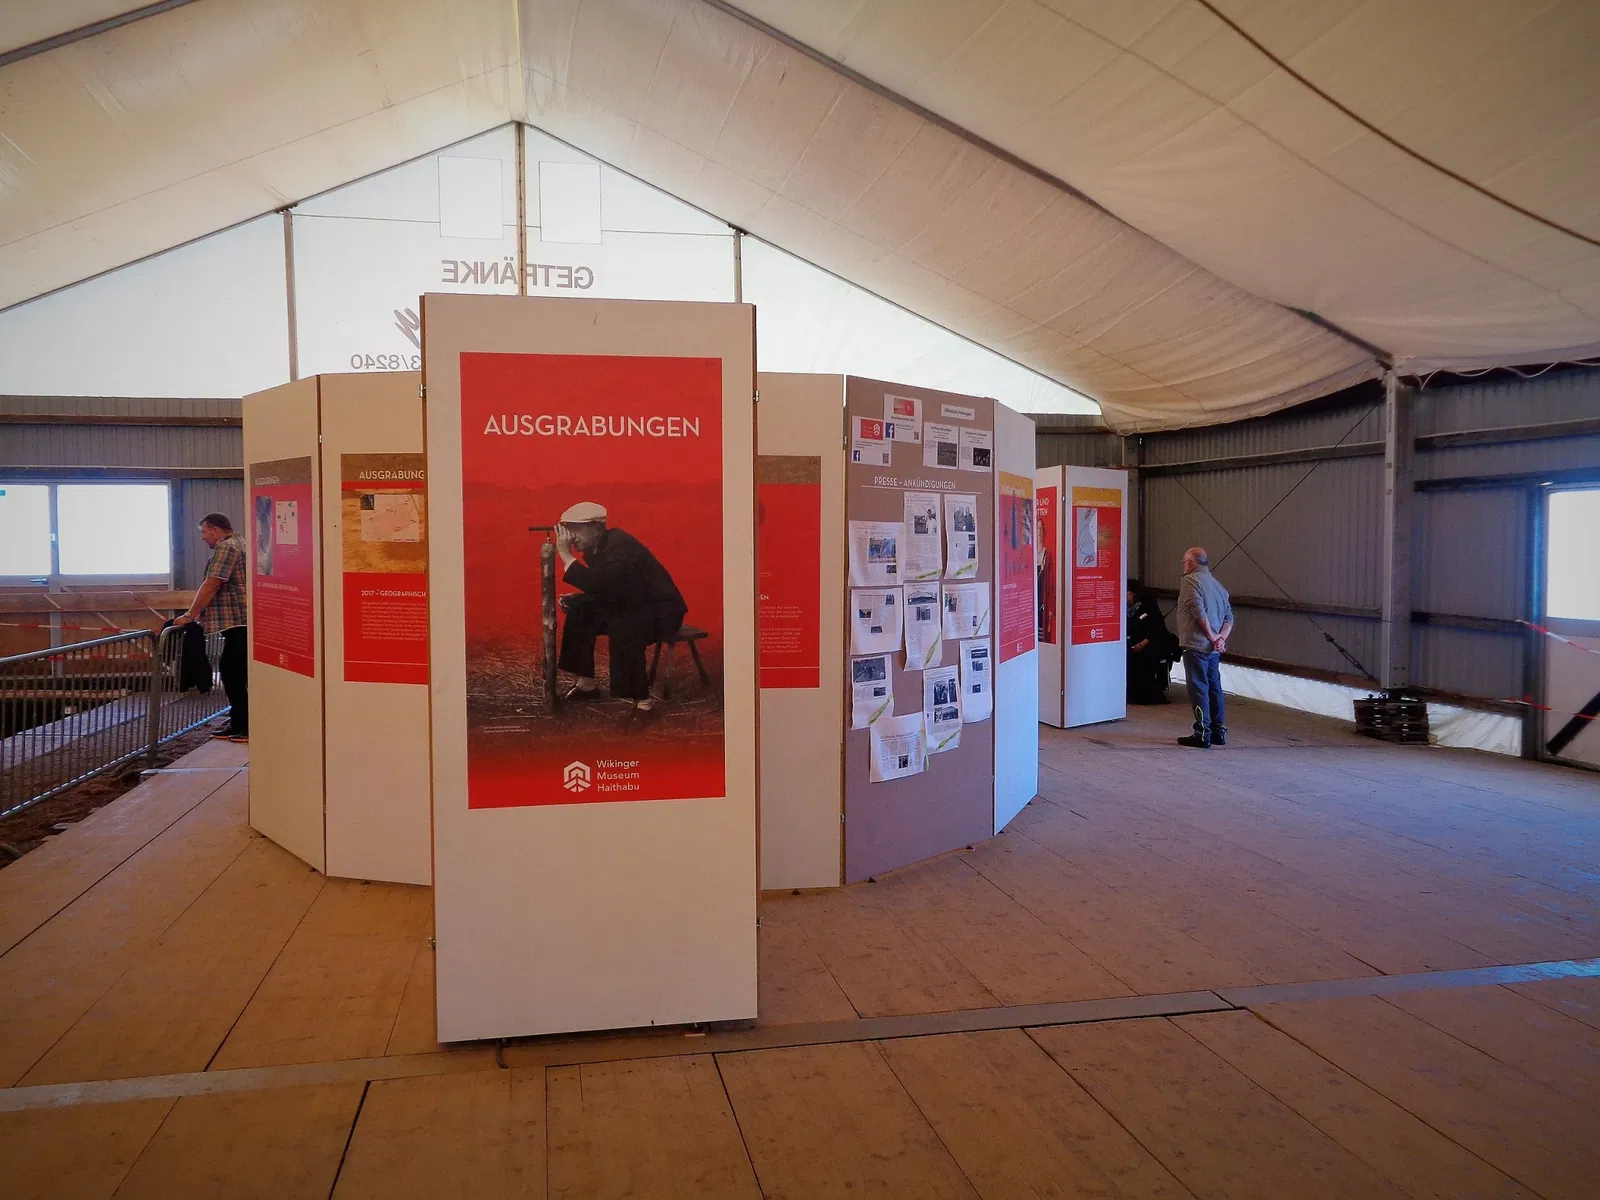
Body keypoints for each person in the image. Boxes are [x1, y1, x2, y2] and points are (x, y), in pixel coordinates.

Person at [554, 501, 687, 712]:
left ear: (596, 528)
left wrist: (566, 556)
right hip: (632, 602)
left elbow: (609, 587)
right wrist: (582, 598)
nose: (570, 536)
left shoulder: (620, 545)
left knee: (623, 625)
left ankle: (642, 703)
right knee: (580, 612)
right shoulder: (599, 545)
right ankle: (586, 687)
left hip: (661, 611)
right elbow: (613, 588)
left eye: (575, 529)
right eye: (567, 530)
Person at [174, 513, 248, 742]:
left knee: (231, 672)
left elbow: (212, 583)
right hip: (241, 621)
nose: (203, 538)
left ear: (216, 530)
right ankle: (239, 719)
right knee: (235, 672)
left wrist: (189, 614)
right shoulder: (241, 542)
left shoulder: (226, 548)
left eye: (204, 532)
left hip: (238, 621)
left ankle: (245, 724)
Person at [1174, 546, 1233, 748]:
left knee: (1199, 688)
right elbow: (1229, 618)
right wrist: (1220, 640)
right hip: (1213, 649)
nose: (1183, 565)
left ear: (1191, 563)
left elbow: (1198, 612)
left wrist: (1211, 635)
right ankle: (1219, 731)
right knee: (1214, 688)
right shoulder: (1218, 586)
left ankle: (1202, 733)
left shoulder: (1190, 581)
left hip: (1196, 645)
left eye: (1184, 561)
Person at [1126, 579, 1176, 704]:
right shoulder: (1126, 609)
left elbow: (1157, 630)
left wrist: (1143, 643)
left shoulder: (1148, 607)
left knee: (1144, 656)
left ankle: (1147, 692)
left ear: (1133, 594)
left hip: (1152, 642)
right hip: (1133, 641)